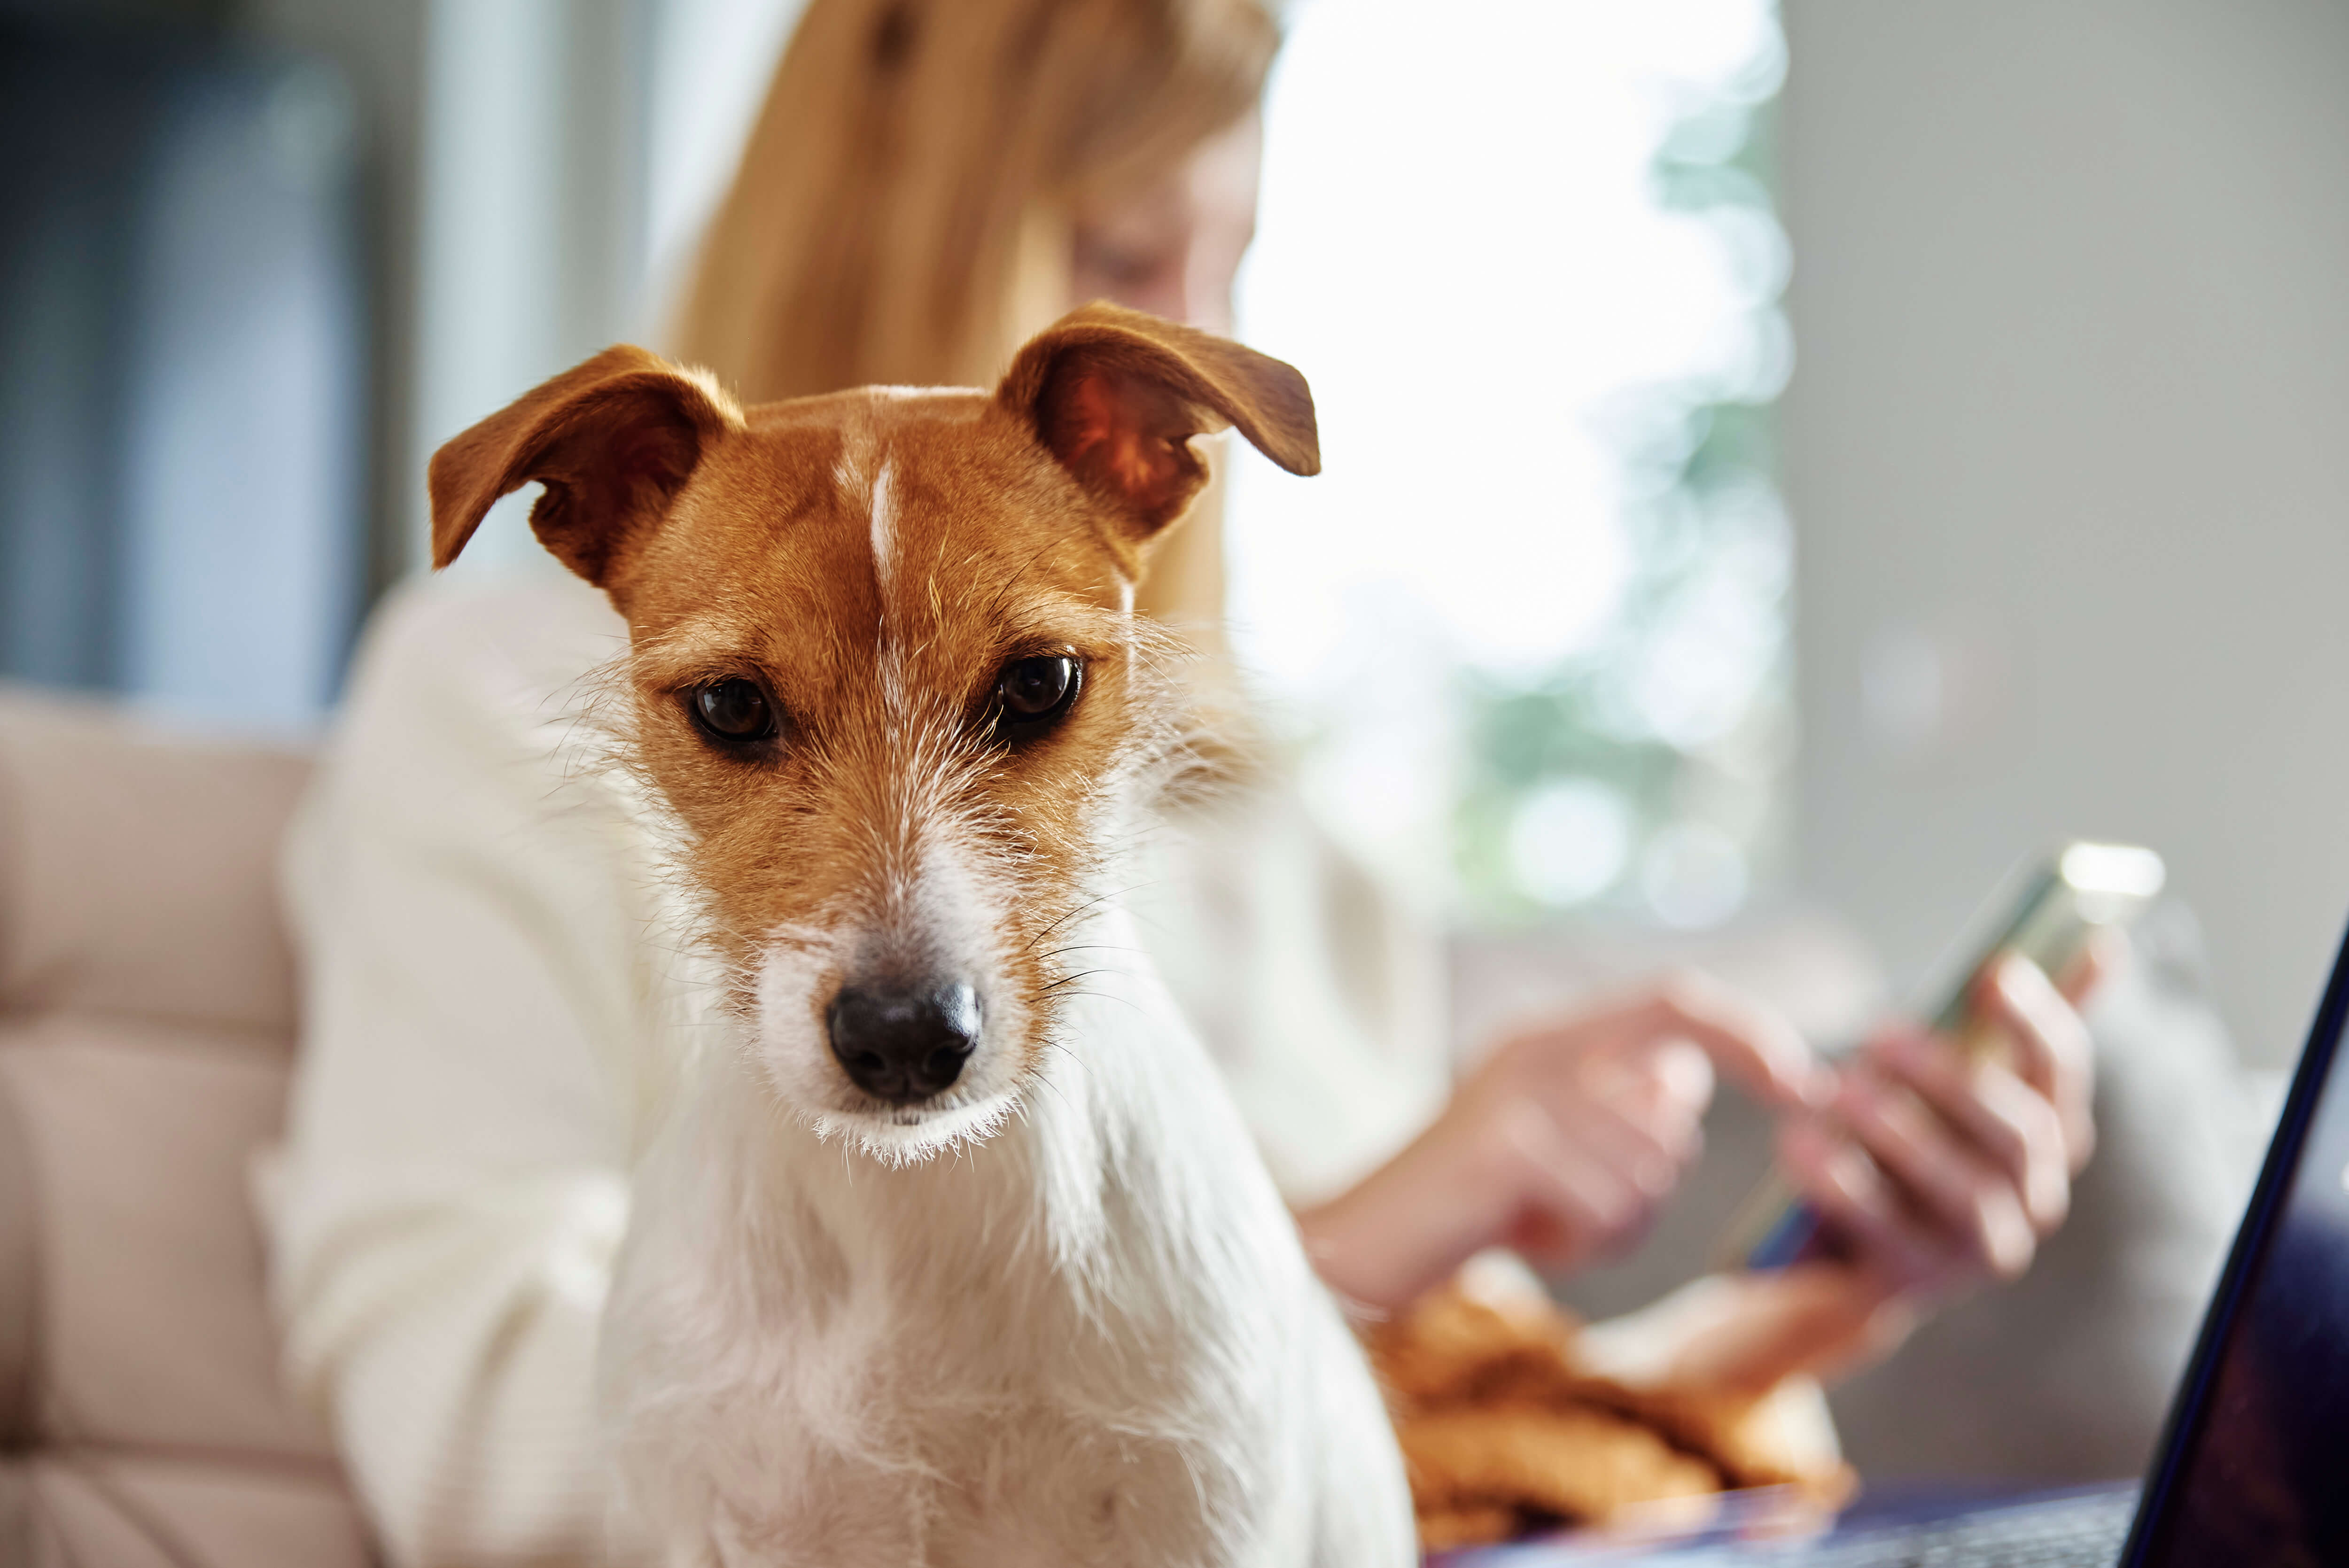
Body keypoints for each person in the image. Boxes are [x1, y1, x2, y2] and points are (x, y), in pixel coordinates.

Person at [265, 1, 2108, 1563]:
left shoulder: (1289, 841)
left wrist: (1837, 1288)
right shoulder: (505, 698)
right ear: (898, 211)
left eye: (1035, 699)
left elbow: (1427, 1438)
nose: (1201, 345)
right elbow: (486, 1438)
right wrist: (1350, 1233)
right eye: (1131, 255)